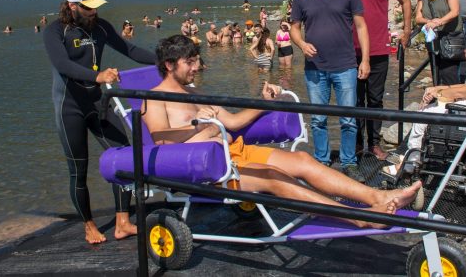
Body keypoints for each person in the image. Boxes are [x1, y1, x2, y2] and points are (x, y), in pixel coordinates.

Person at [144, 35, 422, 228]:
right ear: (170, 65)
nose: (196, 67)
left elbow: (234, 121)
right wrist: (199, 126)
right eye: (189, 62)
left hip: (234, 153)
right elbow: (161, 140)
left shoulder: (194, 92)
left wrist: (265, 102)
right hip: (209, 168)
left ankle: (379, 197)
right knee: (274, 178)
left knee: (301, 160)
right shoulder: (153, 98)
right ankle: (359, 217)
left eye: (196, 60)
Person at [43, 0, 156, 244]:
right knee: (78, 169)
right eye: (88, 6)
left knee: (124, 155)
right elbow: (63, 65)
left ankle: (122, 222)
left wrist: (167, 59)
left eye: (96, 5)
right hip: (68, 107)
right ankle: (89, 225)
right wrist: (99, 76)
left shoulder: (101, 27)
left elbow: (131, 50)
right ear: (72, 6)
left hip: (97, 104)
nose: (94, 11)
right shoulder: (55, 31)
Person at [290, 0, 370, 182]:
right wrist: (302, 44)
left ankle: (348, 162)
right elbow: (294, 27)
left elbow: (361, 26)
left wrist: (364, 60)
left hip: (345, 66)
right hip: (315, 68)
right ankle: (322, 161)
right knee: (318, 118)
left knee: (347, 118)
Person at [389, 21, 466, 173]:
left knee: (423, 116)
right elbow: (465, 88)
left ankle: (411, 163)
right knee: (425, 110)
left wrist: (439, 93)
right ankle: (412, 158)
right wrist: (438, 88)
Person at [338, 0, 411, 160]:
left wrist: (407, 30)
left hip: (379, 50)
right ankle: (359, 145)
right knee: (355, 101)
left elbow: (405, 0)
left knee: (375, 99)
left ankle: (375, 144)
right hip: (352, 52)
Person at [414, 0, 462, 85]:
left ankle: (452, 100)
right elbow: (418, 18)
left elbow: (455, 11)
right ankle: (439, 98)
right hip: (433, 39)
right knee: (436, 72)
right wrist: (429, 22)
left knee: (449, 73)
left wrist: (439, 21)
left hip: (450, 37)